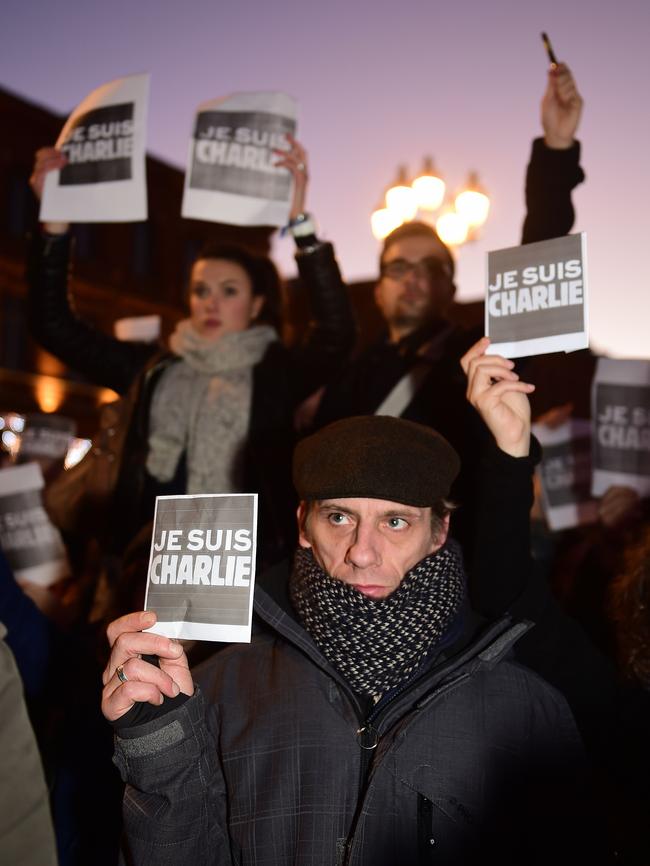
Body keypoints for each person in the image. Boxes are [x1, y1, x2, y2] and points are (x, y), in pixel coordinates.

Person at [101, 339, 604, 866]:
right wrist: (157, 737)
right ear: (302, 526)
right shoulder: (218, 683)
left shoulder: (524, 704)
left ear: (439, 532)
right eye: (339, 517)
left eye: (395, 521)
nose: (362, 553)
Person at [27, 139, 355, 568]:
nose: (210, 303)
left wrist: (300, 226)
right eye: (200, 290)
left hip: (251, 571)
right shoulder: (154, 369)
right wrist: (54, 224)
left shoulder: (275, 372)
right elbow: (55, 327)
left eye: (229, 291)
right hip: (142, 565)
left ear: (257, 305)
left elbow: (337, 333)